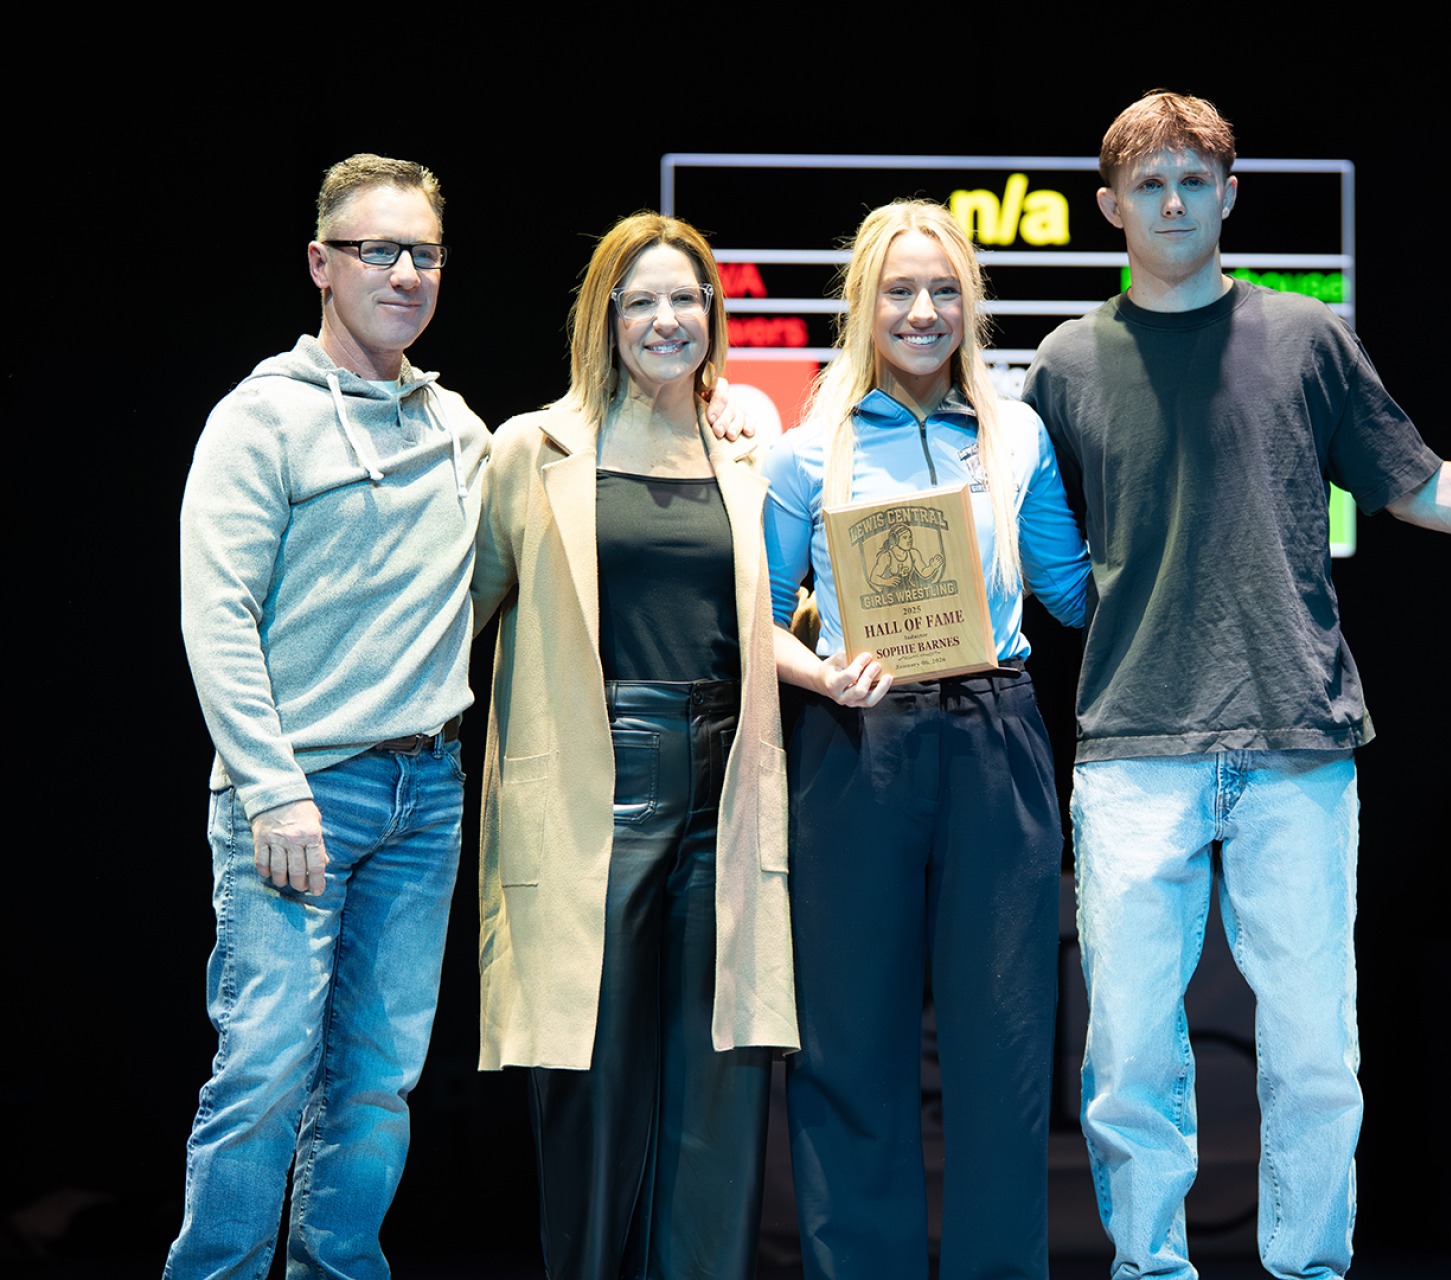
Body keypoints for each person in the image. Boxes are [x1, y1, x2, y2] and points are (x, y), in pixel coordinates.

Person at [1020, 92, 1451, 1280]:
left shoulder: (1306, 334)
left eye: (1194, 179)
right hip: (1132, 741)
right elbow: (1016, 539)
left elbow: (1412, 479)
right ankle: (1150, 1266)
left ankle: (1309, 1267)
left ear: (1229, 195)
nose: (1172, 200)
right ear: (1110, 205)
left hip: (1297, 734)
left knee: (1316, 1052)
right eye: (1150, 184)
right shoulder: (1067, 362)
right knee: (1128, 1049)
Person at [170, 154, 489, 1279]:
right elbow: (217, 618)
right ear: (321, 263)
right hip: (301, 792)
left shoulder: (458, 428)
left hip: (428, 795)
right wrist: (272, 787)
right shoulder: (260, 420)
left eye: (424, 253)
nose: (404, 273)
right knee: (262, 1067)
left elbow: (537, 523)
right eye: (377, 250)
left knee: (376, 1078)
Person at [763, 199, 1090, 1279]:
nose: (922, 310)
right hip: (856, 744)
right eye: (899, 290)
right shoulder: (807, 452)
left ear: (971, 305)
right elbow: (753, 615)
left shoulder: (1019, 433)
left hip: (996, 738)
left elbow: (1072, 594)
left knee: (1004, 1049)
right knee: (850, 1044)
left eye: (944, 289)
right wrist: (823, 669)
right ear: (861, 303)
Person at [471, 213, 796, 1280]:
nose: (668, 319)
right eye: (643, 300)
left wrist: (832, 658)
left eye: (687, 298)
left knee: (720, 1086)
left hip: (728, 784)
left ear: (714, 314)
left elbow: (775, 611)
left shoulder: (746, 441)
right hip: (594, 783)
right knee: (595, 1087)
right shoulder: (534, 448)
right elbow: (457, 615)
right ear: (605, 318)